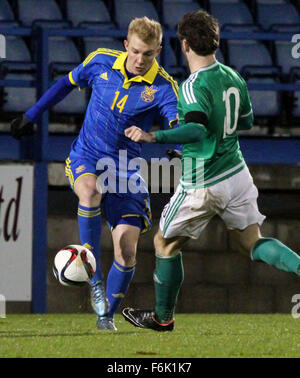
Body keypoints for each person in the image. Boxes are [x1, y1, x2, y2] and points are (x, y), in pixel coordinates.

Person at [122, 9, 300, 332]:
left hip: (202, 182)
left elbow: (197, 132)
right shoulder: (233, 77)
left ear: (185, 45)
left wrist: (154, 136)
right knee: (253, 243)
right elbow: (245, 121)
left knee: (164, 243)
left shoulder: (192, 87)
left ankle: (163, 318)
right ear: (215, 43)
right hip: (237, 174)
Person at [10, 17, 179, 331]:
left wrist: (174, 143)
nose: (141, 60)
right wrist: (31, 115)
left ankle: (105, 317)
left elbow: (175, 121)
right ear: (126, 45)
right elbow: (65, 84)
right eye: (137, 52)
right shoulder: (100, 61)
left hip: (126, 172)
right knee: (90, 191)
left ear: (158, 51)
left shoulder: (163, 87)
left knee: (127, 252)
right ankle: (94, 278)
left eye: (149, 54)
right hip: (86, 156)